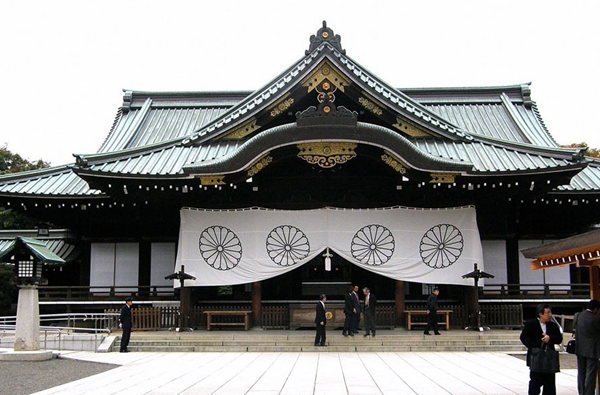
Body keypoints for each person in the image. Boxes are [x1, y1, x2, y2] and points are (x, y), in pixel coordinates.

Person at [520, 303, 563, 395]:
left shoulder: (553, 325)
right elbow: (524, 337)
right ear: (540, 314)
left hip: (549, 357)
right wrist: (534, 345)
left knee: (550, 383)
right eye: (547, 312)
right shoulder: (531, 324)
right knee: (535, 381)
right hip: (536, 357)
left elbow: (559, 338)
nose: (549, 315)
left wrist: (550, 338)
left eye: (550, 312)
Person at [575, 299, 600, 395]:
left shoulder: (579, 315)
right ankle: (589, 393)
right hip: (592, 350)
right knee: (590, 374)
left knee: (581, 373)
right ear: (596, 309)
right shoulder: (595, 318)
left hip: (580, 348)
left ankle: (581, 392)